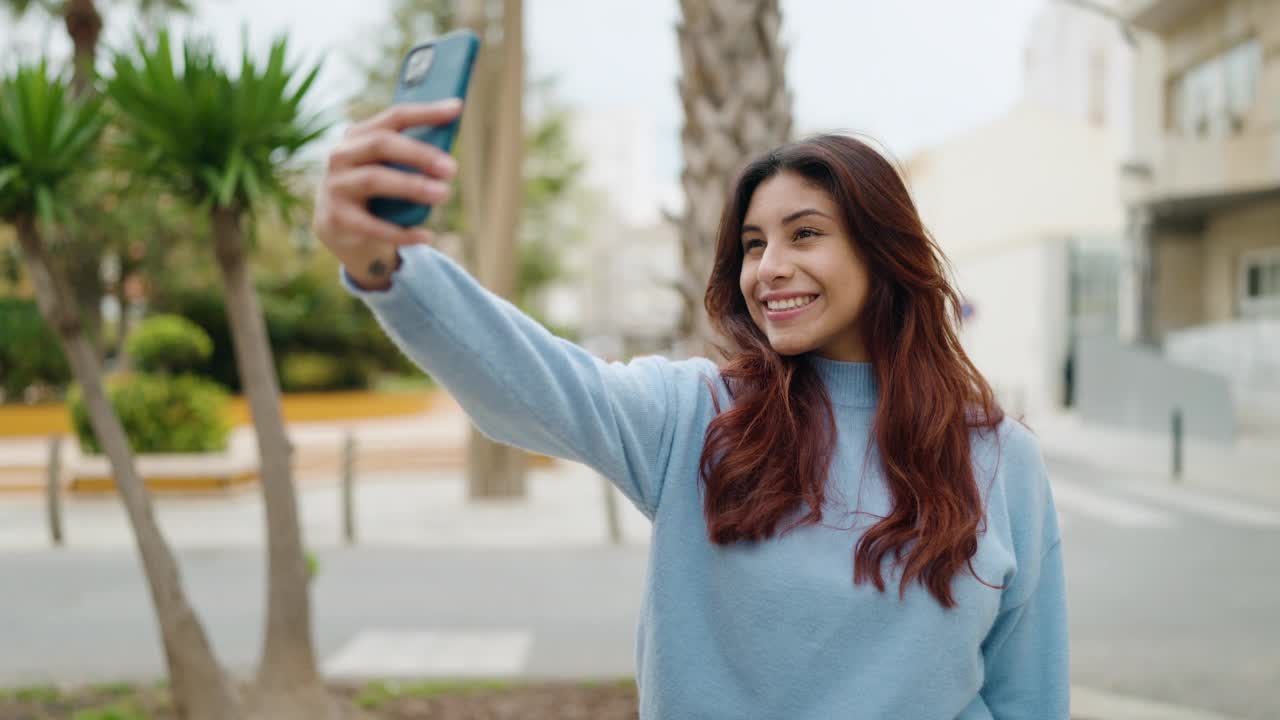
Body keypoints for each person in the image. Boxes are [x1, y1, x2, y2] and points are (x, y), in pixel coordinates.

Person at [314, 99, 1069, 720]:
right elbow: (533, 384)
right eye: (752, 244)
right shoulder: (698, 417)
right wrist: (385, 263)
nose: (770, 268)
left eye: (805, 234)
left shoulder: (1001, 460)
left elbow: (1027, 695)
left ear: (883, 251)